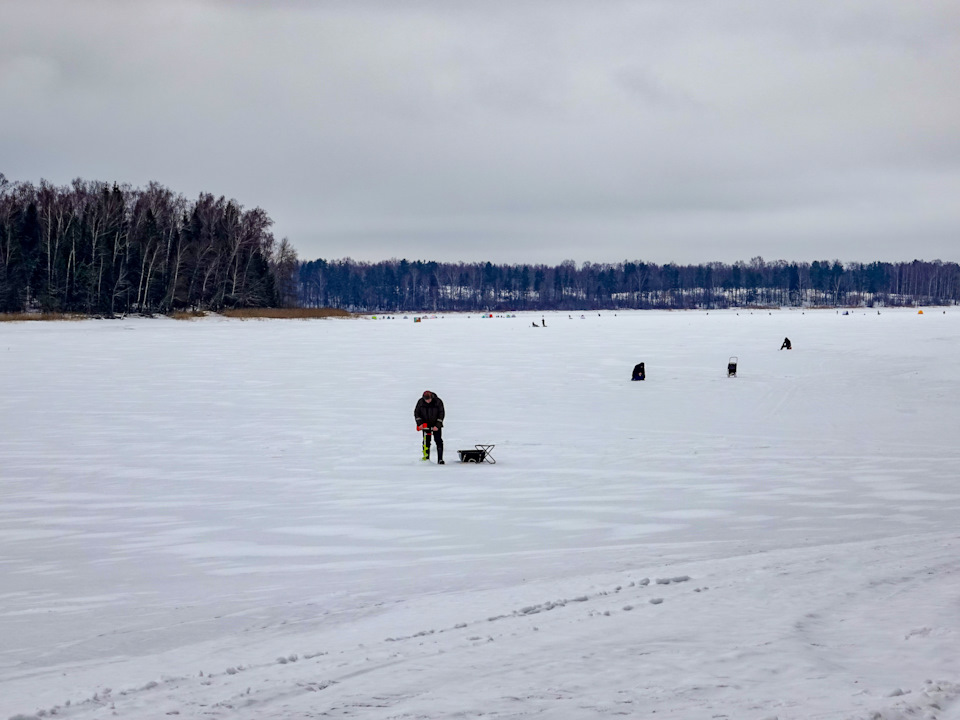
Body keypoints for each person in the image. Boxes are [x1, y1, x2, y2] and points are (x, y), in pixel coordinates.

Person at [414, 390, 445, 464]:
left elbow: (441, 413)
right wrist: (420, 424)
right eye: (426, 400)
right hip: (425, 426)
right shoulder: (420, 402)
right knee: (426, 442)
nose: (428, 401)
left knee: (438, 441)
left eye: (429, 399)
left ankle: (440, 459)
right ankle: (426, 458)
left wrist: (437, 425)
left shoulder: (438, 401)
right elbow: (416, 413)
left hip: (436, 425)